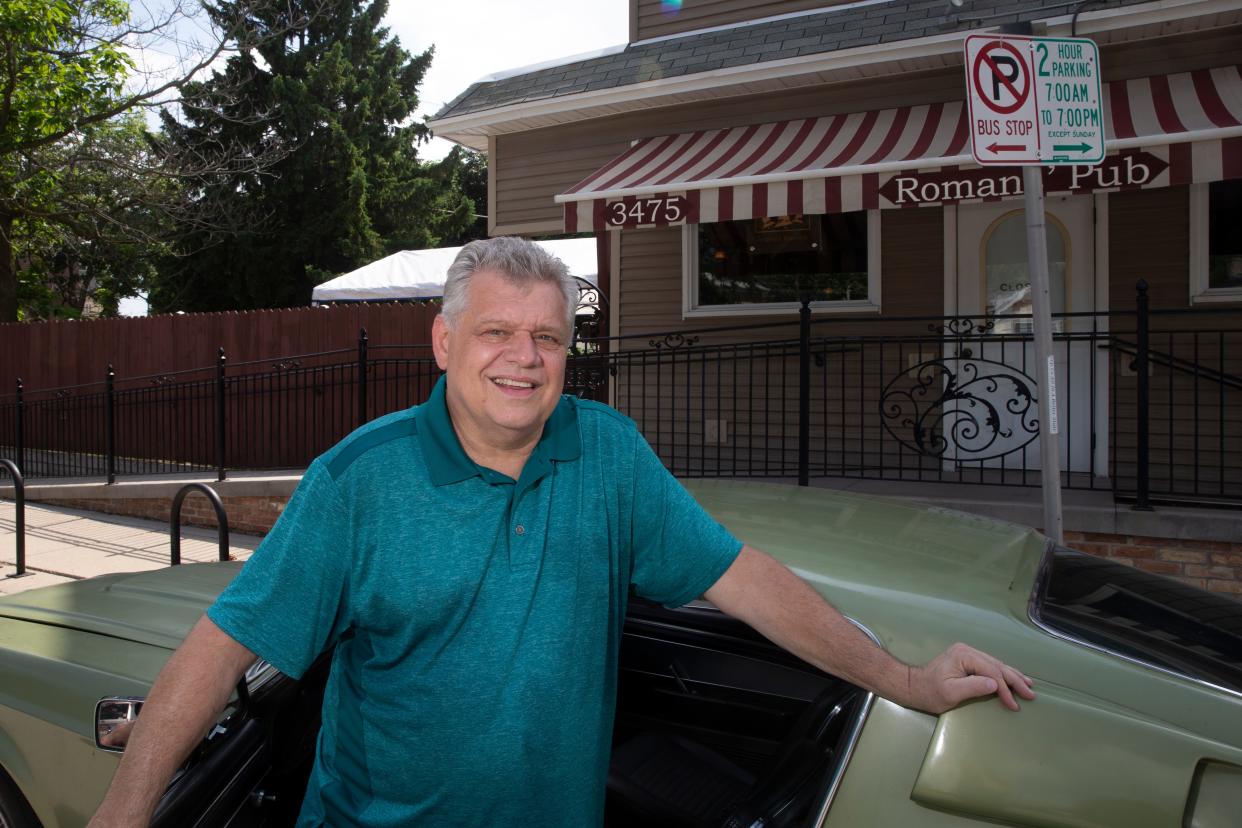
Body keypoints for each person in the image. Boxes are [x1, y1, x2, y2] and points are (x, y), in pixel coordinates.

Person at [89, 236, 1034, 827]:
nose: (524, 358)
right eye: (498, 331)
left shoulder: (608, 455)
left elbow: (745, 580)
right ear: (444, 343)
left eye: (548, 337)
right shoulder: (360, 482)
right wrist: (126, 811)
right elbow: (221, 654)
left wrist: (905, 679)